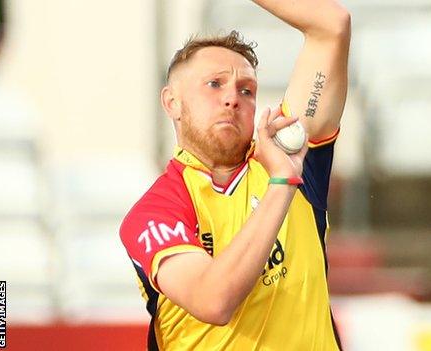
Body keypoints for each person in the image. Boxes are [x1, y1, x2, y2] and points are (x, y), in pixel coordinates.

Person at [119, 0, 350, 349]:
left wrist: (282, 175)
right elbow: (214, 300)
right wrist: (282, 183)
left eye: (246, 90)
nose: (232, 99)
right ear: (172, 102)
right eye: (214, 84)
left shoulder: (289, 151)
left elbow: (332, 25)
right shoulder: (155, 212)